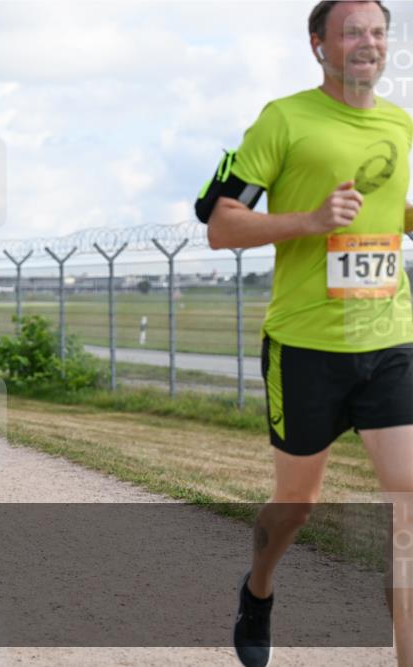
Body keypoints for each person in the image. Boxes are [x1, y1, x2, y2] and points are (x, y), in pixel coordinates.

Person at [203, 3, 412, 666]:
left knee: (407, 508)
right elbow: (220, 223)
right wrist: (311, 220)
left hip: (390, 338)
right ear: (318, 43)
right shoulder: (283, 119)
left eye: (378, 32)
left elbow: (386, 212)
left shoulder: (401, 124)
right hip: (305, 347)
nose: (367, 43)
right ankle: (259, 588)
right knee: (297, 504)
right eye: (351, 31)